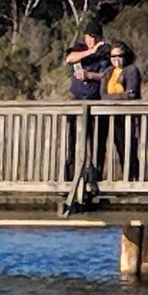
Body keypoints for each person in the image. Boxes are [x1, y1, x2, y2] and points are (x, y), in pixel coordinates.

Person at [63, 22, 109, 181]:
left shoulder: (106, 52)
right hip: (77, 101)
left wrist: (89, 75)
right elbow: (70, 58)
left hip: (96, 102)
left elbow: (106, 75)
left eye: (95, 38)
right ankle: (69, 178)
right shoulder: (80, 48)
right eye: (89, 37)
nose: (91, 40)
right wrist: (91, 51)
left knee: (97, 142)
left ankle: (94, 176)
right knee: (73, 141)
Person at [102, 41, 142, 180]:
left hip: (127, 116)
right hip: (109, 116)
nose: (116, 59)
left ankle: (133, 179)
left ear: (125, 56)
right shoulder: (108, 72)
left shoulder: (131, 70)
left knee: (128, 149)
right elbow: (103, 95)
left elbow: (131, 94)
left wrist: (113, 98)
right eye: (113, 56)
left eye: (119, 56)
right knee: (115, 148)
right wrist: (117, 97)